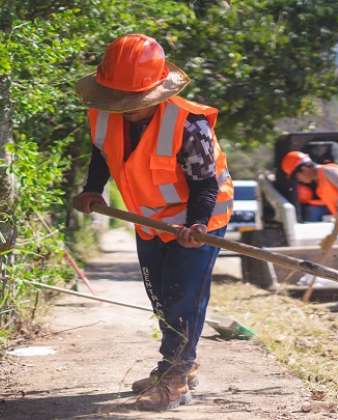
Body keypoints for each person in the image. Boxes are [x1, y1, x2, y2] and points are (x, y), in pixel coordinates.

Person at [72, 34, 233, 411]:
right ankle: (180, 365)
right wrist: (93, 189)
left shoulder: (190, 124)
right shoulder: (101, 113)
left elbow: (205, 184)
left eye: (135, 102)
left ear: (158, 90)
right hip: (149, 220)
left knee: (183, 295)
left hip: (198, 218)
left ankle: (175, 376)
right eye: (119, 100)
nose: (126, 109)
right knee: (160, 296)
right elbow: (102, 155)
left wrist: (197, 226)